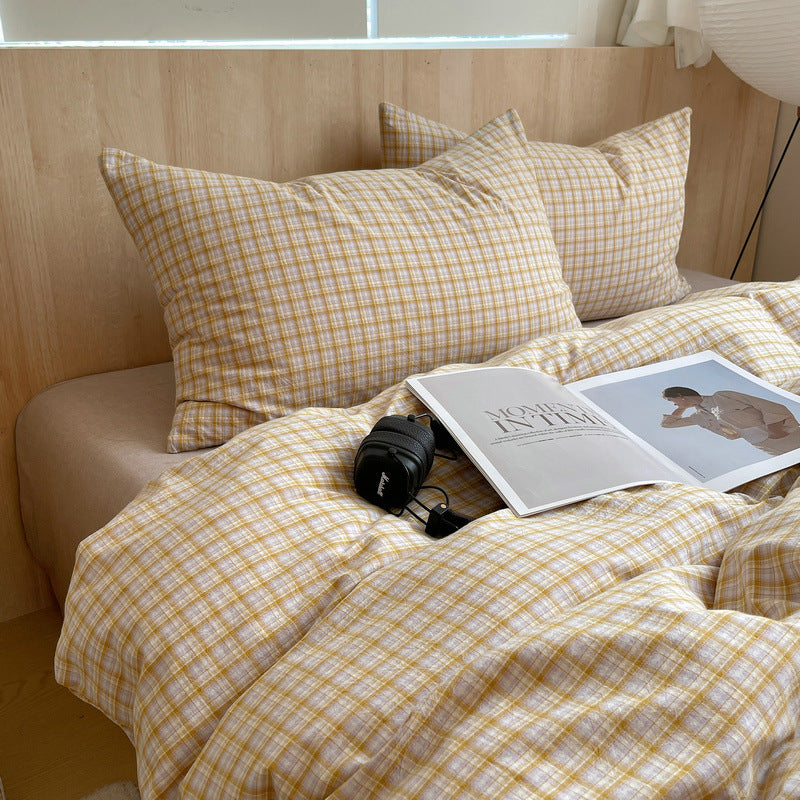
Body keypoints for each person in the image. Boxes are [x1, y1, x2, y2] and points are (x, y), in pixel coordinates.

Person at [660, 386, 800, 456]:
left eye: (671, 400)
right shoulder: (699, 417)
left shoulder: (722, 396)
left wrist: (774, 429)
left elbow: (770, 406)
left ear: (679, 395)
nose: (672, 404)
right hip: (765, 446)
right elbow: (667, 424)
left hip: (786, 434)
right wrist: (682, 408)